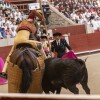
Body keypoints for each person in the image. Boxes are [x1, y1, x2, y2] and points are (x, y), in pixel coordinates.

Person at [0, 10, 46, 79]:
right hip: (25, 40)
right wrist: (42, 18)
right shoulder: (31, 23)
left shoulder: (21, 23)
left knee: (10, 55)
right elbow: (34, 12)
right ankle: (46, 62)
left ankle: (4, 72)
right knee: (39, 44)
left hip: (16, 40)